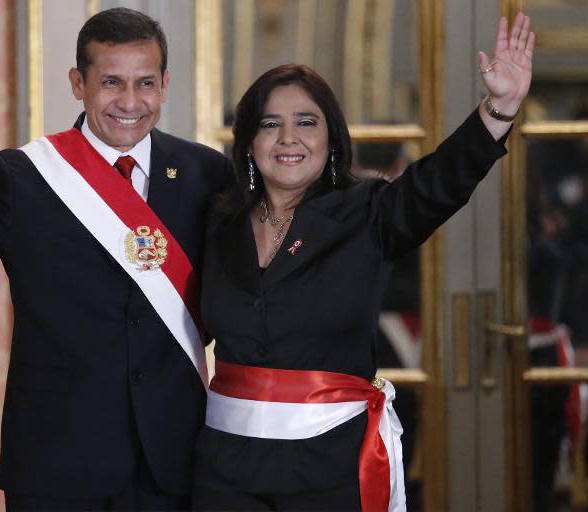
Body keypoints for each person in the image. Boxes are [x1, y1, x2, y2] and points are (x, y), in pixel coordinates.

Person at [0, 7, 230, 511]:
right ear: (78, 83)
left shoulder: (205, 173)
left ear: (165, 84)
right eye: (111, 82)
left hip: (174, 459)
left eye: (145, 83)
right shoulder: (24, 177)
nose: (131, 102)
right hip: (58, 462)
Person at [193, 13, 534, 511]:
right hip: (223, 468)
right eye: (271, 124)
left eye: (306, 123)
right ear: (249, 143)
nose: (289, 139)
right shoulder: (218, 223)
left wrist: (499, 109)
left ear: (331, 139)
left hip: (329, 464)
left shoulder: (368, 213)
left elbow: (439, 181)